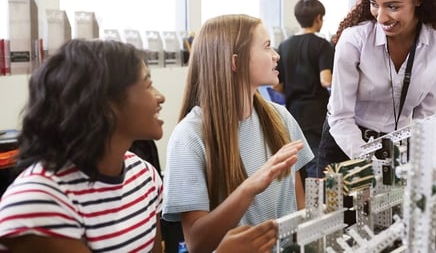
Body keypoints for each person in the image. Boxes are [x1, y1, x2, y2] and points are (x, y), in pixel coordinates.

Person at [0, 39, 282, 253]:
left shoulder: (142, 176)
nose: (159, 97)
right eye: (147, 85)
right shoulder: (39, 202)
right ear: (105, 102)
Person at [162, 14, 313, 253]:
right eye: (266, 47)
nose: (276, 55)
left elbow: (298, 207)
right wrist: (250, 187)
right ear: (236, 62)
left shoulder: (280, 117)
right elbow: (197, 243)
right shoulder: (189, 137)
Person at [317, 0, 436, 177]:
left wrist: (433, 162)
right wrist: (370, 163)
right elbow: (341, 116)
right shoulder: (354, 41)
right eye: (374, 3)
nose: (381, 16)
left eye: (393, 6)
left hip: (399, 145)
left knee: (397, 212)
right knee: (345, 213)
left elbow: (431, 113)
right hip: (346, 143)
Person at [274, 0, 334, 180]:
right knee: (316, 161)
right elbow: (326, 80)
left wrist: (293, 90)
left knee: (297, 161)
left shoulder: (284, 46)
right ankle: (316, 205)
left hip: (293, 112)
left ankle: (301, 205)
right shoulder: (322, 45)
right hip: (316, 113)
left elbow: (276, 85)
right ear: (318, 18)